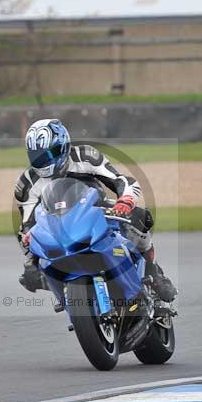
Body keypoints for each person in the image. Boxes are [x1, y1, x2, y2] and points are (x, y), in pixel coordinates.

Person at [14, 119, 177, 302]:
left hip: (96, 209)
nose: (45, 161)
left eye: (51, 153)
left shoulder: (85, 155)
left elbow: (120, 180)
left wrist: (125, 201)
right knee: (31, 274)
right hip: (58, 226)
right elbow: (26, 226)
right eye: (37, 155)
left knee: (139, 217)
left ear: (64, 145)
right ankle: (67, 293)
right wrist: (31, 259)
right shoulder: (26, 184)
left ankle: (154, 273)